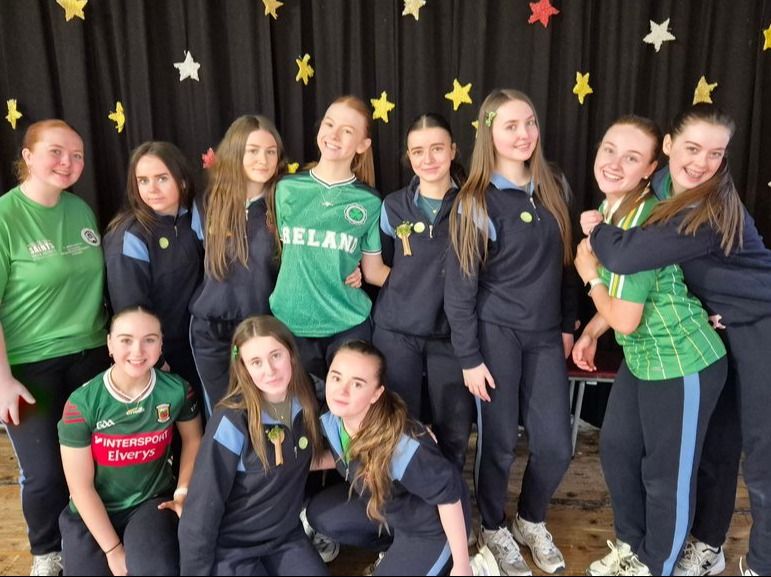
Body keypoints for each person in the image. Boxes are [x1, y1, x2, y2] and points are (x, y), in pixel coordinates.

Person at [583, 104, 771, 577]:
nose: (702, 162)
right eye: (692, 148)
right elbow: (651, 280)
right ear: (666, 148)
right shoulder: (659, 187)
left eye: (715, 153)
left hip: (759, 322)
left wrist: (595, 234)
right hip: (713, 327)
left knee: (760, 451)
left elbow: (626, 257)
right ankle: (695, 544)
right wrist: (592, 329)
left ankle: (755, 563)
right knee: (712, 445)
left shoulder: (708, 206)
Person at [445, 89, 576, 575]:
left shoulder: (554, 186)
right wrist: (469, 357)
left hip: (544, 337)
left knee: (555, 445)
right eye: (511, 125)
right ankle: (493, 525)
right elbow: (460, 289)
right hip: (495, 336)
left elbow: (567, 266)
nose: (524, 134)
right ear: (489, 133)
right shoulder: (475, 200)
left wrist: (568, 325)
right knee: (498, 442)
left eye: (530, 122)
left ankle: (530, 519)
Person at [0, 119, 110, 576]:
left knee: (95, 462)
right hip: (29, 366)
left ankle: (93, 541)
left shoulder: (80, 210)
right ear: (27, 156)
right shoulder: (6, 217)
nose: (69, 162)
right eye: (56, 152)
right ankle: (47, 552)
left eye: (77, 155)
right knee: (45, 473)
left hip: (90, 356)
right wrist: (2, 381)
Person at [306, 340, 499, 576]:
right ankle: (398, 555)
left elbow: (449, 497)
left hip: (431, 528)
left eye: (357, 384)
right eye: (336, 378)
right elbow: (344, 457)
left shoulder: (402, 445)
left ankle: (472, 567)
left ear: (376, 394)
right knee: (320, 514)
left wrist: (462, 566)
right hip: (389, 510)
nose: (341, 391)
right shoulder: (332, 418)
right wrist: (299, 463)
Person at [179, 315, 329, 576]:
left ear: (291, 354)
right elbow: (202, 506)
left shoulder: (311, 398)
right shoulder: (232, 420)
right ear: (243, 368)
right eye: (256, 362)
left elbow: (302, 456)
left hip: (284, 536)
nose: (269, 370)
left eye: (276, 356)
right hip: (232, 545)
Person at [57, 306, 202, 576]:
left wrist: (182, 492)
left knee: (155, 568)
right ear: (109, 344)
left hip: (149, 503)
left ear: (161, 344)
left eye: (149, 339)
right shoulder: (81, 404)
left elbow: (193, 440)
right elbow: (80, 488)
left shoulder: (178, 390)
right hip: (93, 509)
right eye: (126, 340)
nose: (138, 351)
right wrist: (113, 551)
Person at [373, 112, 473, 470]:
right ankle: (405, 496)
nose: (427, 159)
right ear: (408, 156)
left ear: (453, 150)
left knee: (455, 429)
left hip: (451, 336)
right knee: (400, 426)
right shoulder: (392, 206)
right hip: (397, 332)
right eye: (417, 151)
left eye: (437, 149)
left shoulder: (473, 205)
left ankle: (449, 494)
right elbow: (382, 266)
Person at [270, 96, 390, 384]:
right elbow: (283, 253)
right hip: (290, 323)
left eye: (347, 131)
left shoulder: (370, 201)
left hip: (347, 323)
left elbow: (373, 271)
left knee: (348, 406)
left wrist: (427, 290)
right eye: (329, 124)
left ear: (362, 145)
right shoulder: (285, 188)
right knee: (303, 409)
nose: (334, 135)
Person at [103, 141, 203, 397]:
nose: (152, 189)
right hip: (161, 358)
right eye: (143, 180)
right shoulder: (130, 235)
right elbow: (130, 308)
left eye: (162, 178)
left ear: (182, 181)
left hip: (199, 348)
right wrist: (156, 361)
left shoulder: (196, 217)